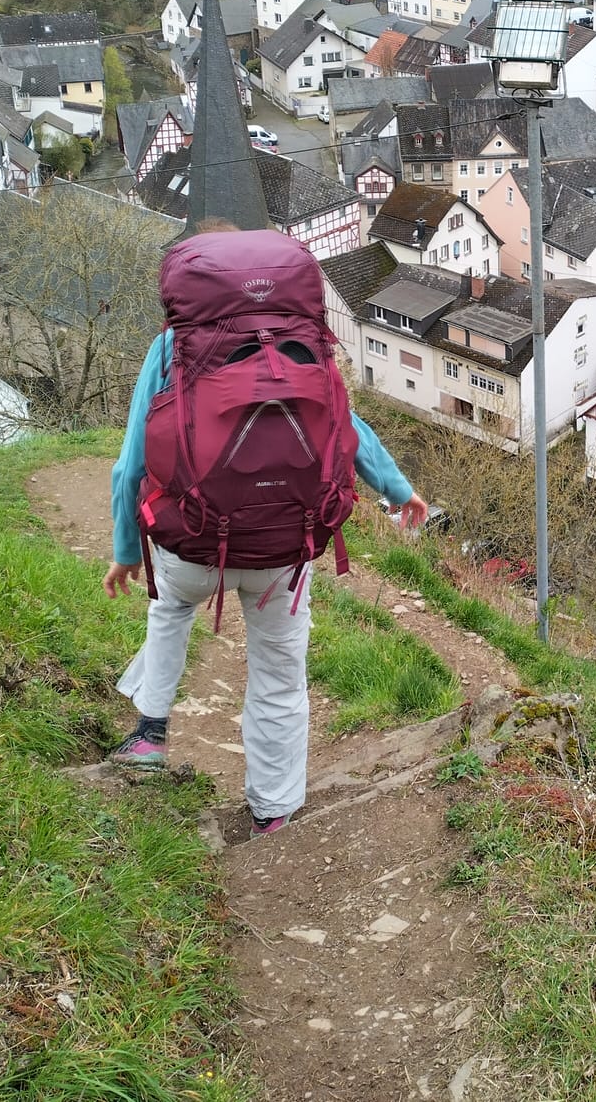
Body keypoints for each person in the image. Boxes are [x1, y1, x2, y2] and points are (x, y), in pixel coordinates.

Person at [105, 224, 428, 835]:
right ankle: (273, 810)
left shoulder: (173, 347)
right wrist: (398, 489)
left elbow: (131, 467)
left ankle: (150, 736)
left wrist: (126, 551)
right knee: (280, 675)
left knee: (170, 610)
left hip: (190, 541)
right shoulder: (302, 344)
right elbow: (345, 428)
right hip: (284, 546)